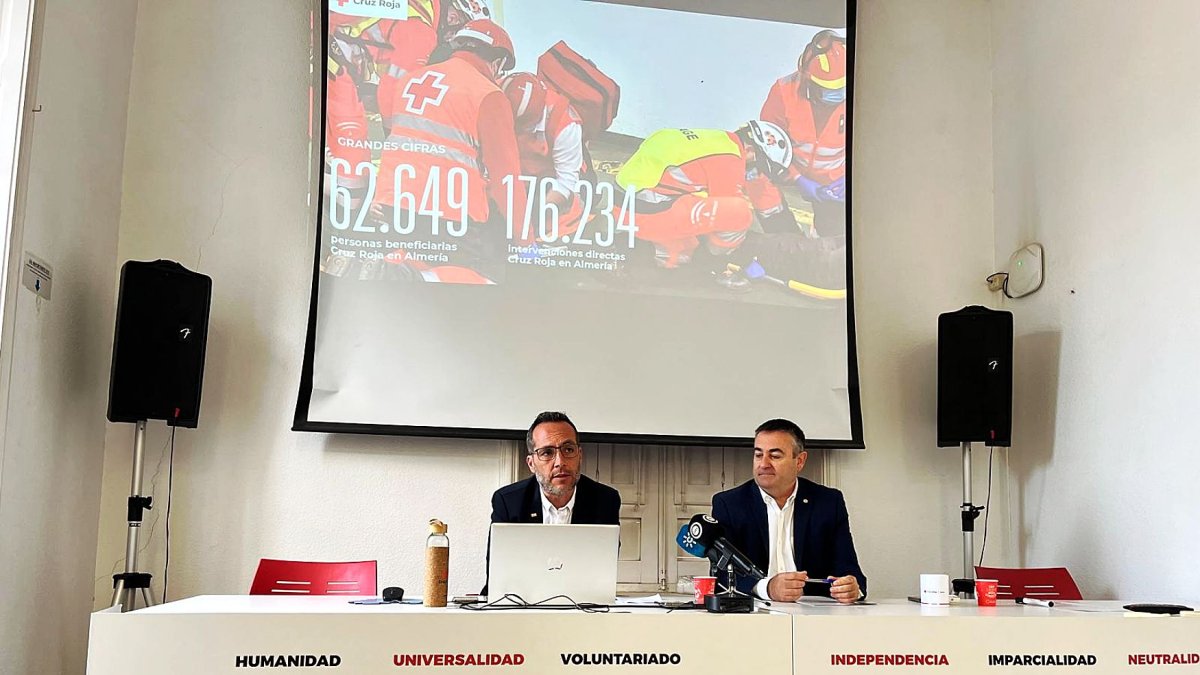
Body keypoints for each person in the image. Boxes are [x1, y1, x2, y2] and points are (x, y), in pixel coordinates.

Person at [372, 18, 528, 282]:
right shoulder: (488, 94)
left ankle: (400, 272)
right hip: (450, 213)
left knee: (411, 261)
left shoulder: (410, 80)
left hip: (393, 200)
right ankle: (413, 278)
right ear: (497, 61)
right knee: (484, 276)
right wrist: (527, 242)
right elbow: (506, 180)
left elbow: (397, 134)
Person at [711, 418, 865, 603]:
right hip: (754, 611)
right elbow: (721, 576)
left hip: (815, 612)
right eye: (758, 455)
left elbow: (850, 571)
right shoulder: (729, 504)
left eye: (775, 456)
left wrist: (851, 588)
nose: (763, 464)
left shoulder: (828, 503)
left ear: (799, 461)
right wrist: (768, 588)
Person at [614, 120, 793, 268]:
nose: (756, 174)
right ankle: (712, 264)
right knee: (739, 214)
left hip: (623, 202)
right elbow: (729, 212)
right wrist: (735, 257)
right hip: (643, 212)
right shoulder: (729, 158)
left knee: (702, 210)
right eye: (760, 167)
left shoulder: (715, 140)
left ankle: (646, 244)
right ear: (750, 151)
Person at [484, 412, 621, 593]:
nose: (560, 462)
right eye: (547, 453)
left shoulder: (605, 500)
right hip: (522, 607)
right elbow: (498, 577)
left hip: (584, 607)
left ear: (580, 455)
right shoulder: (509, 501)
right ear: (531, 463)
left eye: (568, 450)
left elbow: (602, 575)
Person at [759, 29, 848, 237]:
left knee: (833, 234)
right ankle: (784, 240)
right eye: (826, 90)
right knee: (755, 172)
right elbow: (766, 145)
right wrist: (797, 178)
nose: (836, 97)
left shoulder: (863, 94)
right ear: (807, 78)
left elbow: (875, 148)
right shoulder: (784, 91)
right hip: (790, 172)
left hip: (833, 185)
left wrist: (850, 178)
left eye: (842, 90)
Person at [500, 71, 589, 240]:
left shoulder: (566, 123)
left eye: (522, 127)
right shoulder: (499, 93)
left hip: (546, 182)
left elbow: (566, 182)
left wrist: (533, 214)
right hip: (515, 176)